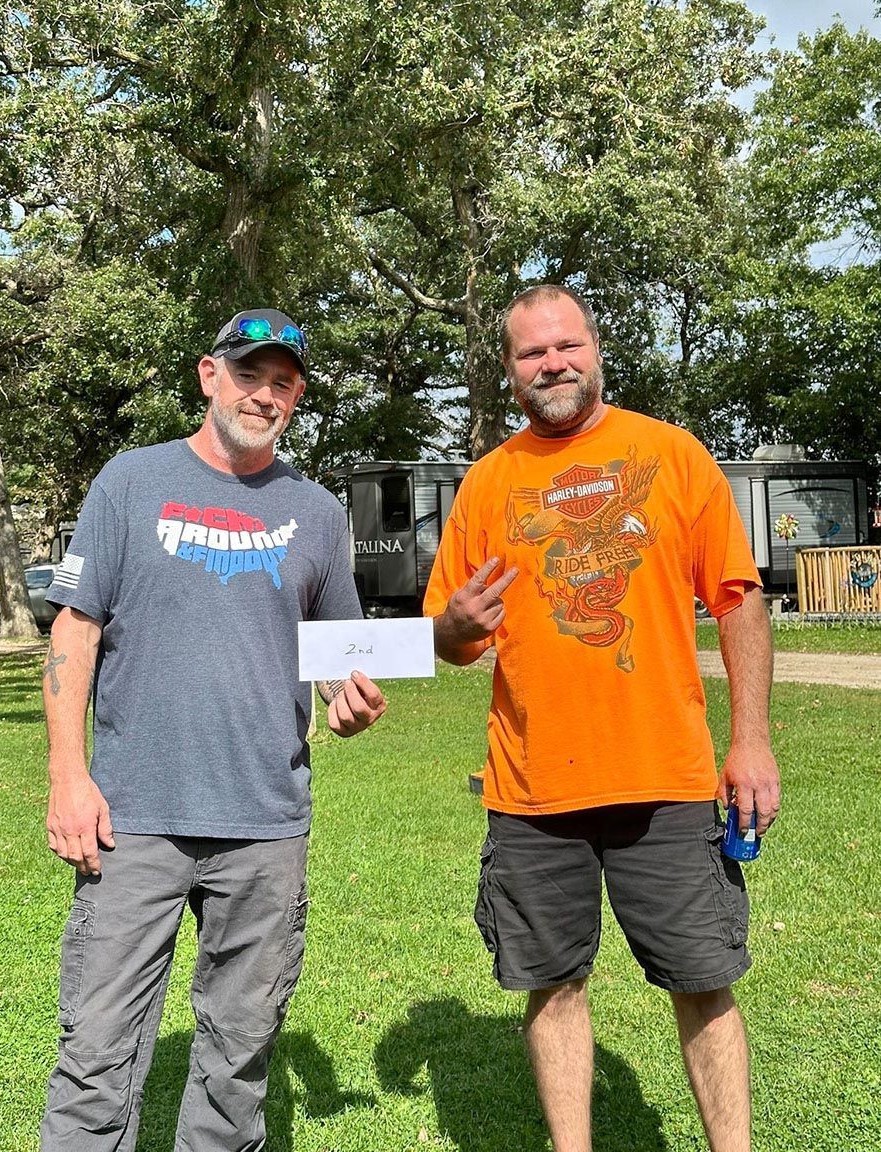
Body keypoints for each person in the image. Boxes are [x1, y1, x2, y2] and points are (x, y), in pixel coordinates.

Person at [424, 284, 779, 1152]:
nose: (552, 364)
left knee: (703, 983)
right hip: (534, 789)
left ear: (595, 349)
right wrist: (451, 629)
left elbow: (738, 600)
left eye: (566, 346)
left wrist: (751, 741)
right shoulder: (489, 483)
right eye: (531, 352)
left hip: (668, 780)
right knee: (554, 987)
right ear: (508, 369)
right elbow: (451, 637)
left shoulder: (671, 454)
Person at [40, 307, 386, 1152]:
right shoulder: (130, 482)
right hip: (133, 821)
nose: (264, 396)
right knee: (95, 1056)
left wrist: (349, 701)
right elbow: (75, 631)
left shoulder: (317, 512)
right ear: (209, 375)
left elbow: (337, 655)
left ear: (296, 399)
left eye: (283, 385)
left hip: (265, 827)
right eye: (249, 375)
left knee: (238, 1062)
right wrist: (67, 775)